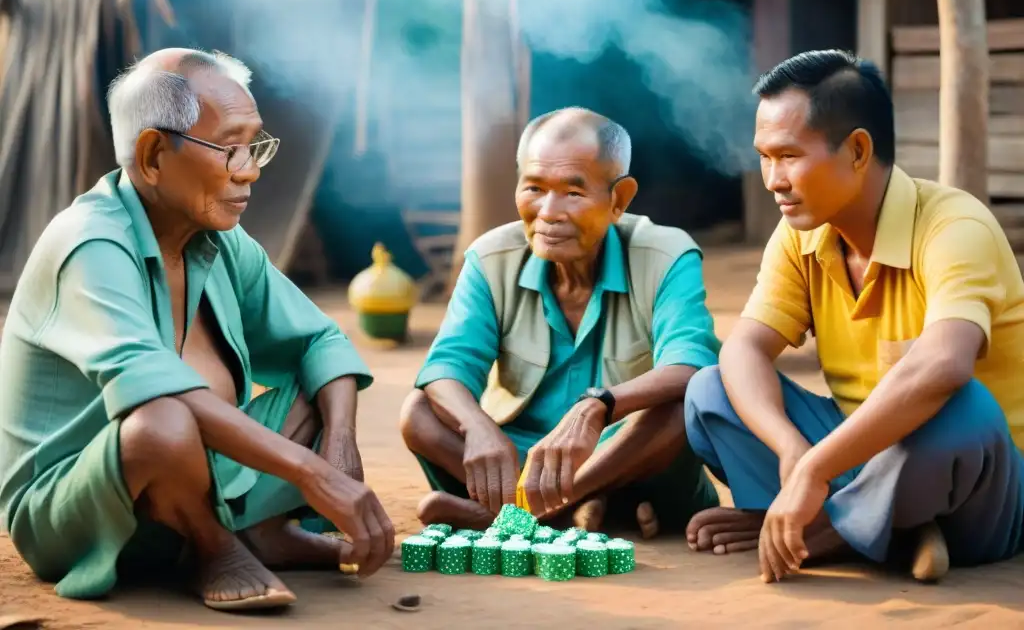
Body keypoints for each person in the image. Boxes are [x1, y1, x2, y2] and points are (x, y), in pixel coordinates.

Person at [0, 49, 394, 611]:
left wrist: (338, 448)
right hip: (72, 513)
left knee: (323, 389)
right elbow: (156, 394)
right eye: (230, 148)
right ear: (155, 155)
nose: (251, 169)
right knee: (161, 422)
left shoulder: (220, 240)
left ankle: (262, 532)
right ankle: (212, 546)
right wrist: (311, 474)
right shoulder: (89, 243)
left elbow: (321, 341)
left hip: (199, 478)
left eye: (255, 145)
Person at [683, 49, 1024, 583]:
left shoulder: (955, 226)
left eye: (789, 155)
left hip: (978, 487)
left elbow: (944, 365)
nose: (772, 179)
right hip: (860, 455)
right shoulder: (802, 235)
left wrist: (817, 469)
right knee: (710, 390)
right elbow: (745, 348)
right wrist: (792, 452)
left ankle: (827, 532)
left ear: (858, 150)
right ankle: (886, 528)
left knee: (962, 406)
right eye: (764, 157)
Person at [399, 107, 721, 537]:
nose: (549, 212)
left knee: (683, 403)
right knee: (419, 411)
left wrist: (596, 406)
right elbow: (445, 369)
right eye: (534, 188)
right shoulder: (491, 257)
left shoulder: (665, 254)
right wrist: (478, 428)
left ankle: (525, 514)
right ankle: (581, 510)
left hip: (623, 453)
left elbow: (692, 364)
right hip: (521, 459)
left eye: (573, 192)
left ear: (618, 200)